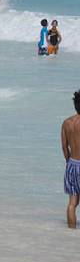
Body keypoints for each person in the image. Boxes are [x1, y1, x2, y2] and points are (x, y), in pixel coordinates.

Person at [61, 90, 80, 229]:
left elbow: (64, 147)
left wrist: (69, 162)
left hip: (72, 164)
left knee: (72, 203)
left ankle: (71, 234)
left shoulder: (66, 123)